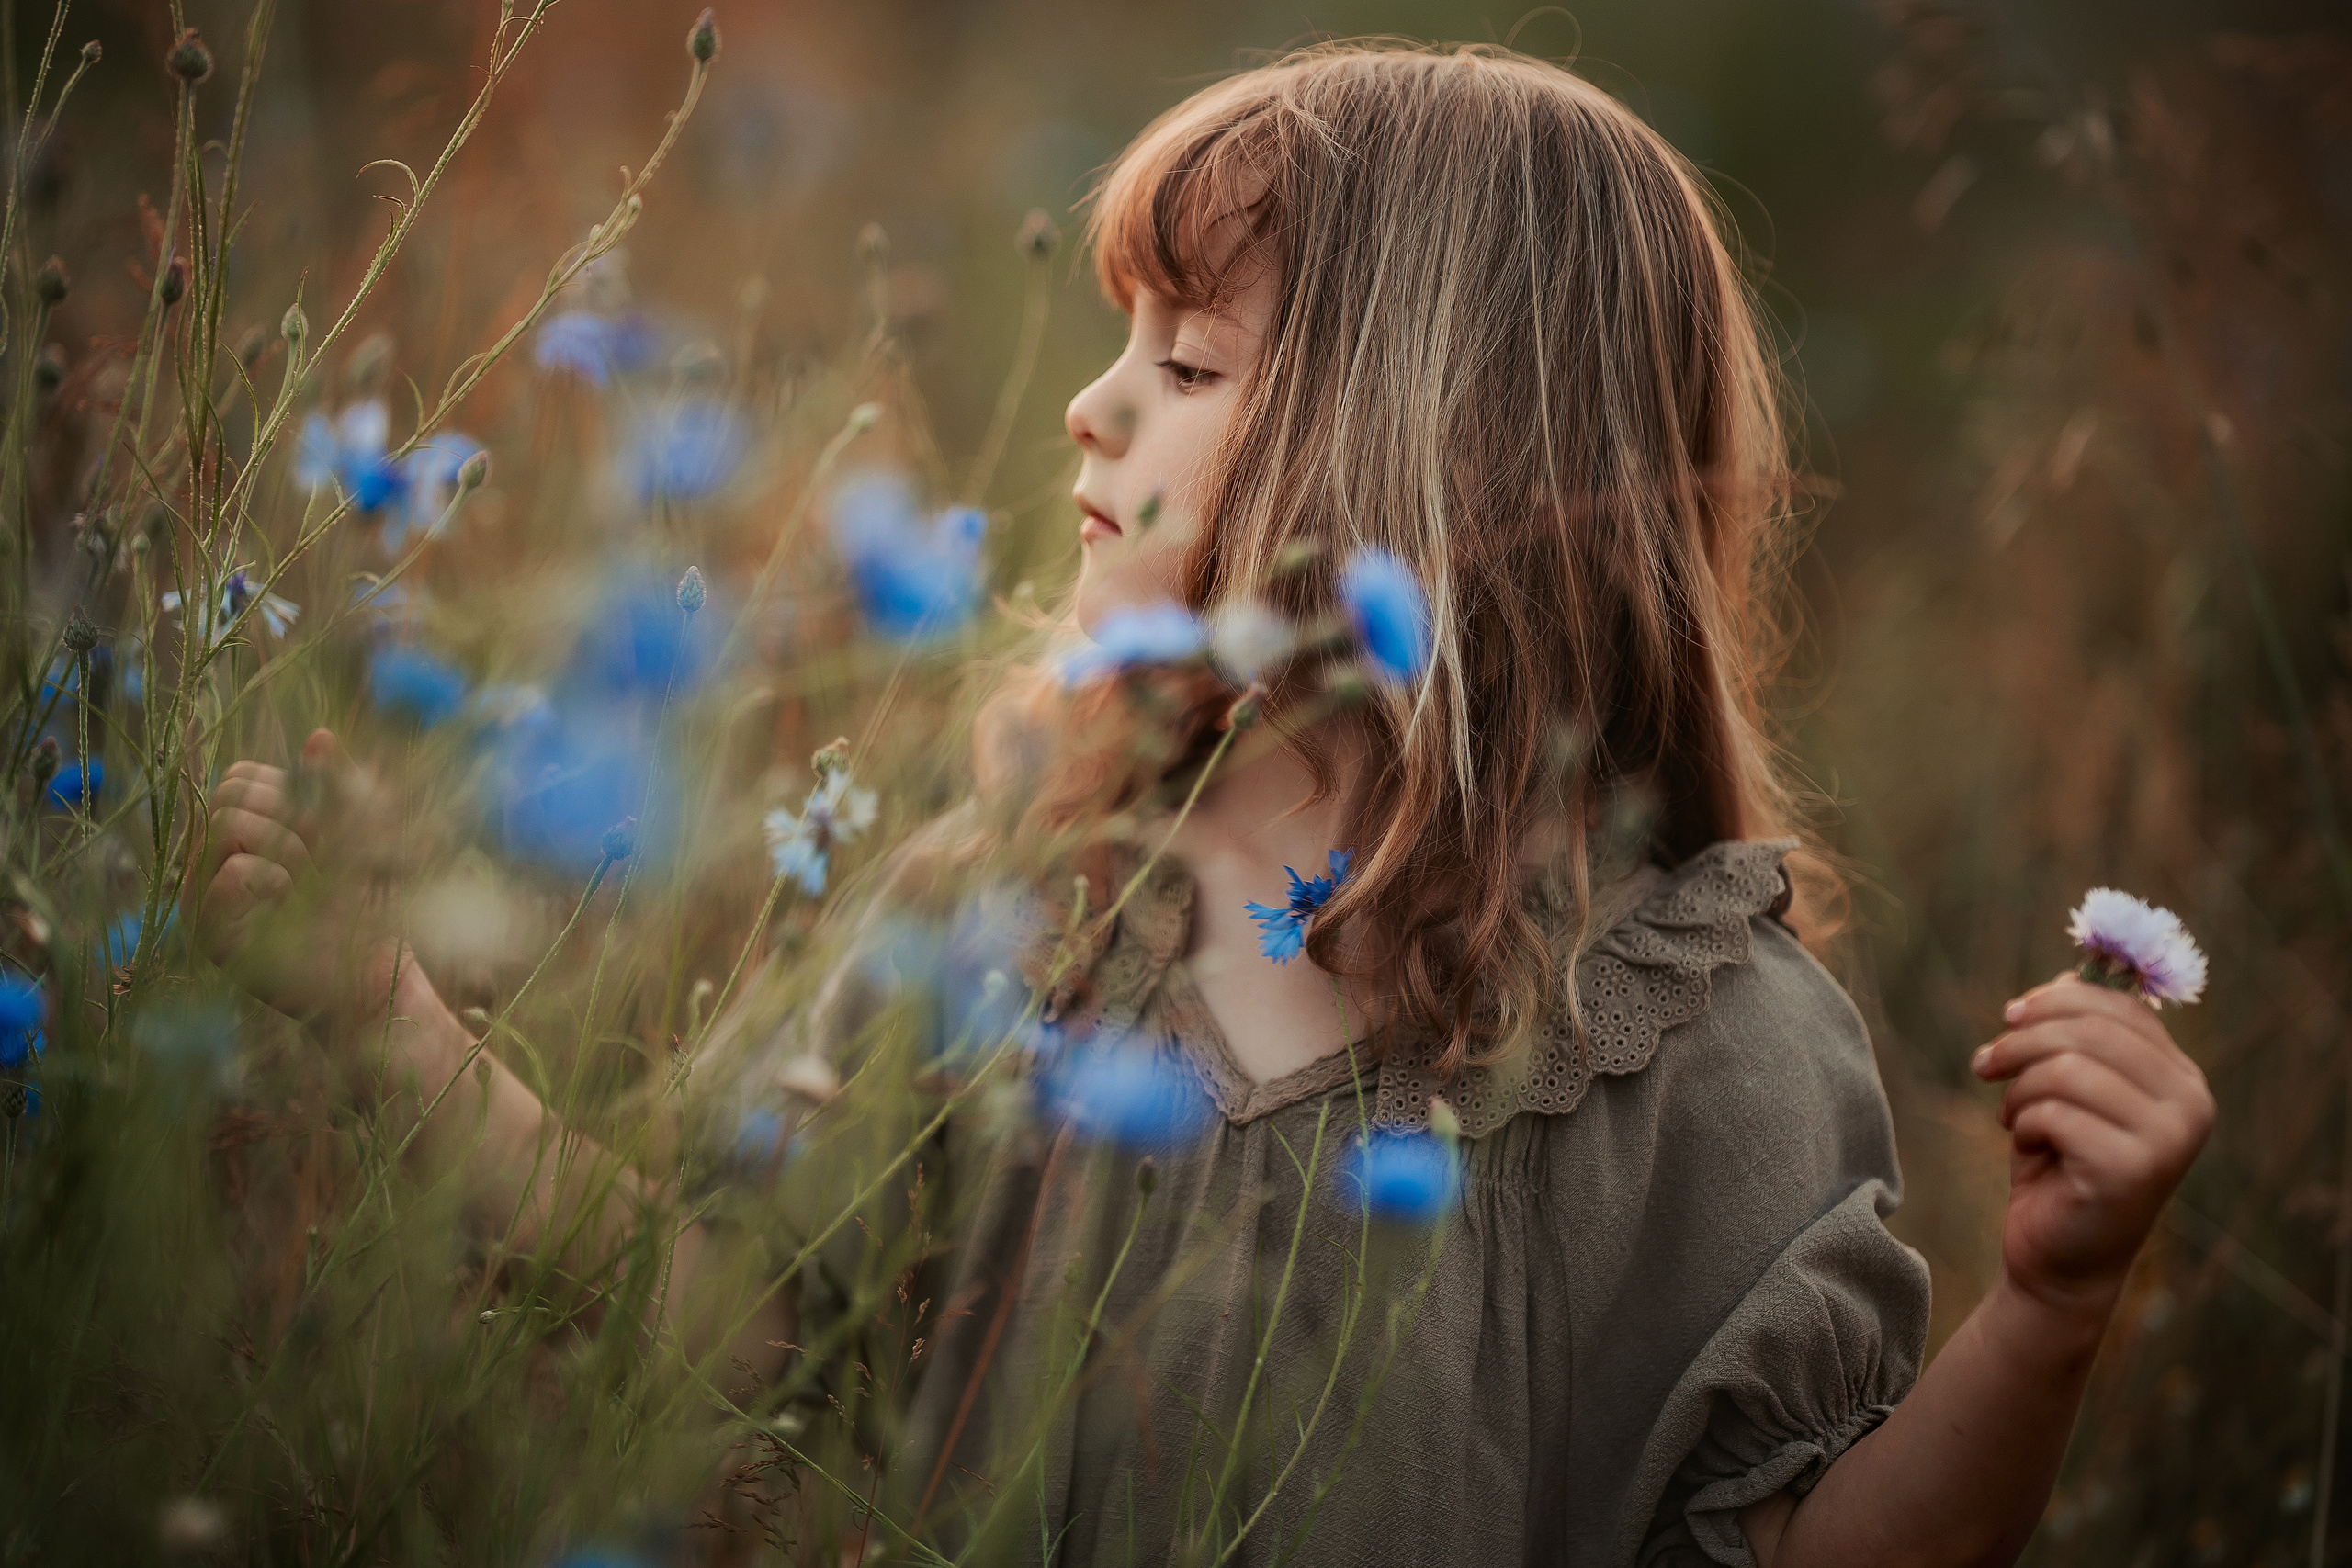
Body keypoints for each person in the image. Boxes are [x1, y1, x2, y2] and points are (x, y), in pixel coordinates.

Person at [193, 41, 2213, 1567]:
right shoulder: (1014, 914)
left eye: (1181, 357)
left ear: (1414, 449)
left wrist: (2046, 1307)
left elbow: (1790, 1544)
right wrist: (386, 1014)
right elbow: (734, 1321)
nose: (1086, 402)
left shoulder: (1694, 1038)